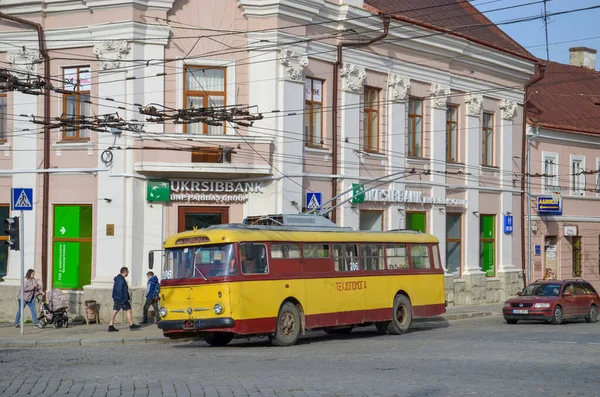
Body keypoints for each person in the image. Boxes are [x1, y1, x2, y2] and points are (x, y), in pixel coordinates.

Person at [108, 267, 140, 332]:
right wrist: (124, 299)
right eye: (127, 272)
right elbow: (120, 290)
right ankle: (131, 325)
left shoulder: (118, 278)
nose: (128, 273)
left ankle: (110, 326)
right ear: (125, 272)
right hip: (121, 299)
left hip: (117, 298)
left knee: (115, 310)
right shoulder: (121, 280)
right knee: (128, 310)